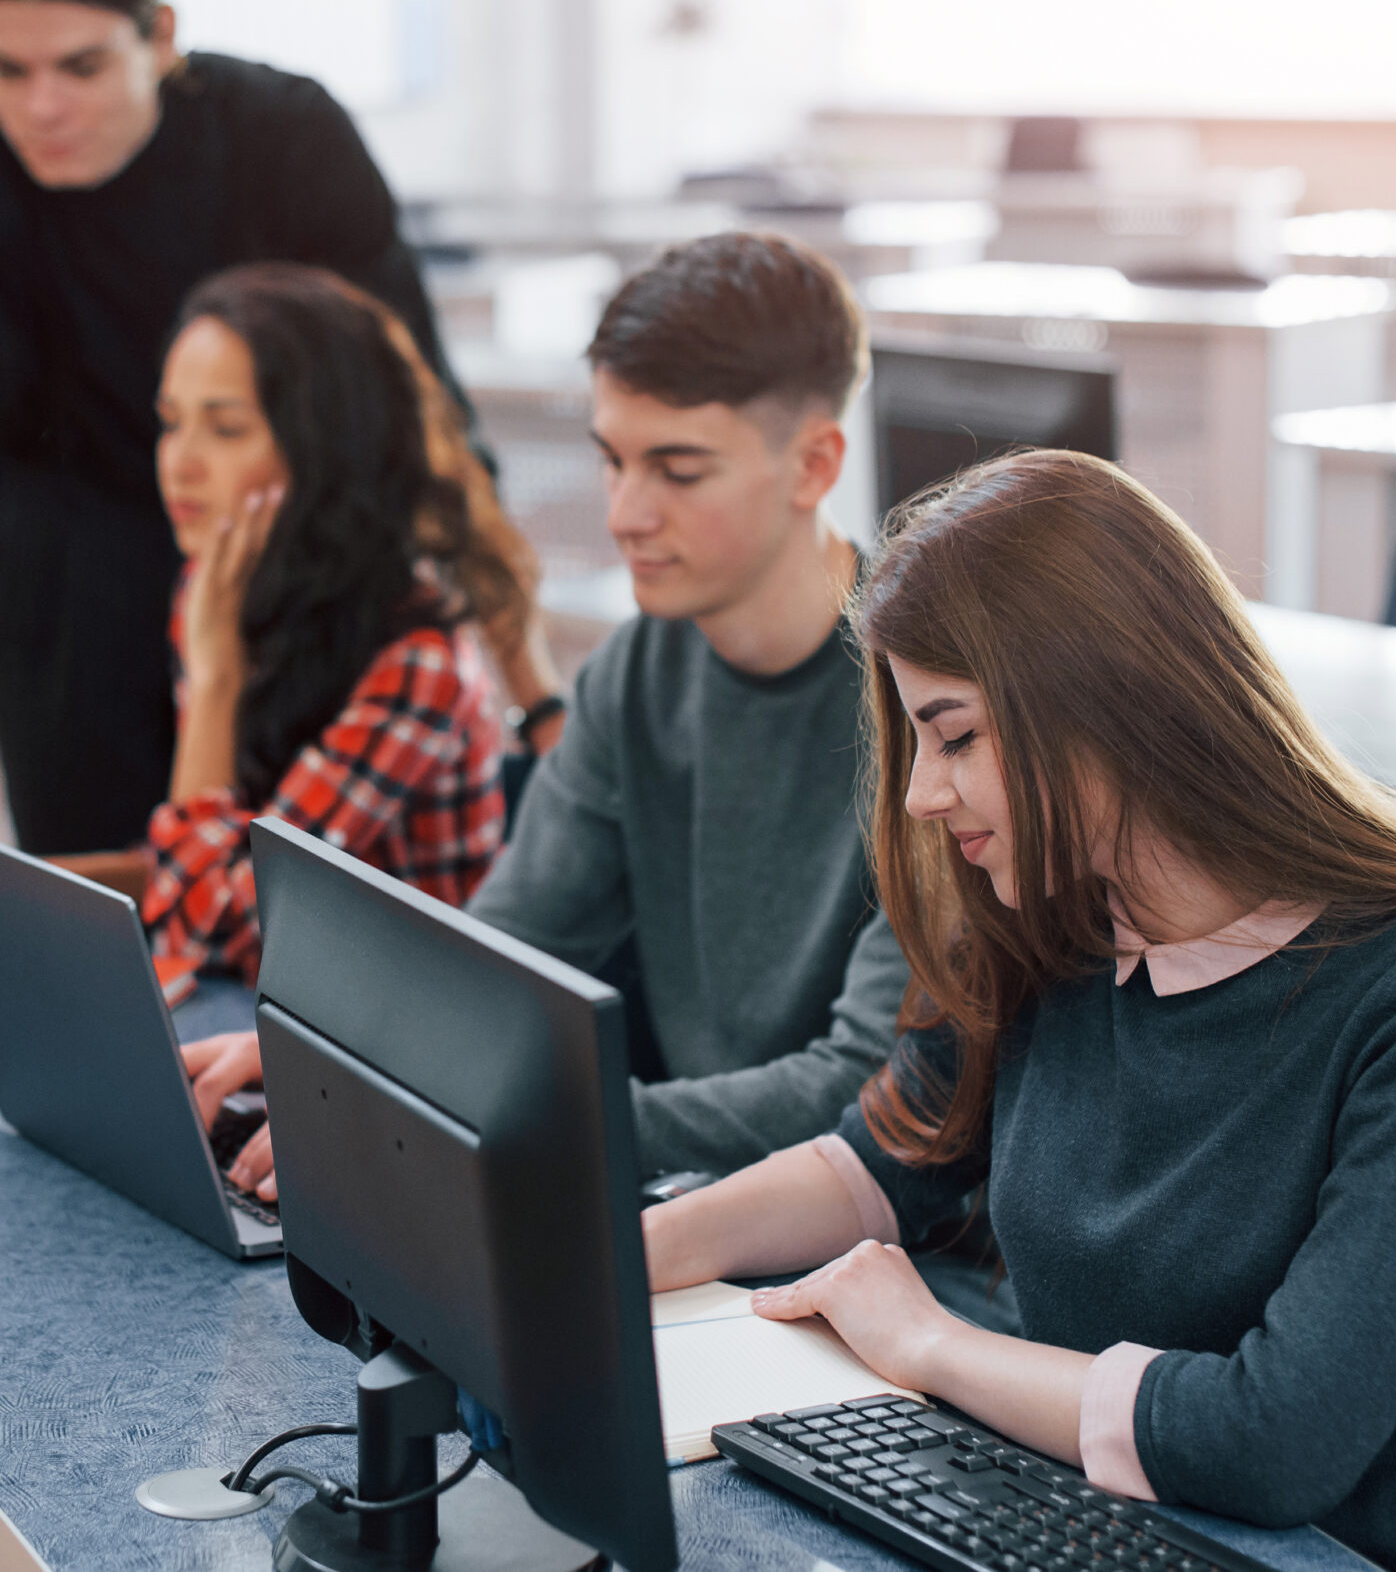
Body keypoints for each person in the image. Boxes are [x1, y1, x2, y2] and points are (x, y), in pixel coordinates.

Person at [642, 450, 1396, 1569]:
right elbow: (882, 1158)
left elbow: (1277, 1437)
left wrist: (930, 1342)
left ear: (1106, 700)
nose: (923, 791)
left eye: (956, 734)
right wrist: (637, 1252)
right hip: (1144, 1528)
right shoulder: (1051, 920)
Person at [0, 0, 561, 884]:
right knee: (106, 934)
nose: (42, 106)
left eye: (81, 66)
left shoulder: (285, 137)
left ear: (160, 35)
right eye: (10, 68)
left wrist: (535, 696)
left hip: (298, 564)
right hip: (70, 572)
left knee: (276, 908)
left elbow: (421, 405)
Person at [185, 232, 911, 1210]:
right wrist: (336, 1049)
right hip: (687, 1200)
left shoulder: (924, 710)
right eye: (612, 460)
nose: (623, 513)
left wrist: (523, 1116)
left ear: (814, 462)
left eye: (677, 470)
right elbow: (508, 953)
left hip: (861, 1241)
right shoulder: (634, 673)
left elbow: (862, 1090)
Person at [136, 263, 507, 979]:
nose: (179, 465)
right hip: (283, 1015)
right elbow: (203, 871)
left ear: (320, 448)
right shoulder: (222, 589)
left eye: (225, 428)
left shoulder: (419, 661)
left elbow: (209, 927)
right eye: (171, 422)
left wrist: (213, 683)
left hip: (400, 1060)